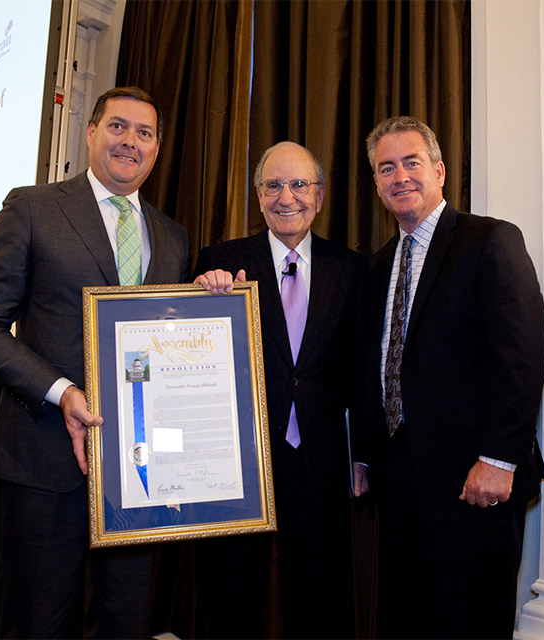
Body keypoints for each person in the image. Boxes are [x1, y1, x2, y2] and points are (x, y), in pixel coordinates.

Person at [0, 86, 189, 638]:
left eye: (145, 133)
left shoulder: (174, 237)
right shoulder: (33, 208)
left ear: (157, 149)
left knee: (125, 623)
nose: (130, 141)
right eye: (117, 127)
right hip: (44, 459)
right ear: (90, 133)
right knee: (35, 622)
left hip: (140, 475)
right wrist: (61, 391)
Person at [359, 116, 544, 639]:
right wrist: (366, 456)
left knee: (471, 624)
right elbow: (373, 367)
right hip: (398, 484)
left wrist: (498, 459)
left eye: (411, 162)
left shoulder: (490, 240)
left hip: (475, 482)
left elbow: (523, 355)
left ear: (440, 171)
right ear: (376, 183)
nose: (400, 176)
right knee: (408, 620)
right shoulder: (378, 268)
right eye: (386, 168)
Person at [192, 141, 368, 638]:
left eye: (298, 184)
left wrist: (363, 456)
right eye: (272, 185)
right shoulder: (221, 262)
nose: (286, 196)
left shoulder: (350, 270)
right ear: (257, 195)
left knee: (320, 595)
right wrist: (203, 295)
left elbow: (359, 371)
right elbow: (193, 355)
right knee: (233, 593)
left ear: (320, 195)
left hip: (321, 458)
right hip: (241, 460)